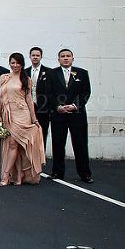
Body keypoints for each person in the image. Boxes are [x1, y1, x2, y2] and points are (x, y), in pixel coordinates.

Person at [45, 49, 92, 183]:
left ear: (72, 58)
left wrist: (75, 105)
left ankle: (85, 174)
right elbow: (49, 93)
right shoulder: (52, 74)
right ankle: (57, 172)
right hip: (58, 115)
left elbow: (86, 92)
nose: (65, 58)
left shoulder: (82, 73)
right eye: (62, 56)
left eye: (68, 56)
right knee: (58, 143)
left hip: (77, 115)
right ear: (58, 59)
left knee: (81, 144)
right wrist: (58, 107)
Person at [0, 53, 45, 186]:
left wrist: (34, 118)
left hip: (23, 114)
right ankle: (18, 175)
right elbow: (1, 98)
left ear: (22, 64)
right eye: (12, 62)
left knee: (14, 144)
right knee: (15, 146)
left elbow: (29, 100)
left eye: (17, 63)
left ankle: (6, 176)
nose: (15, 65)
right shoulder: (4, 78)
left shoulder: (26, 79)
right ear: (9, 63)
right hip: (8, 115)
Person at [25, 47, 51, 148]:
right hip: (28, 108)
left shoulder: (49, 72)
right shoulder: (25, 72)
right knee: (29, 134)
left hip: (43, 108)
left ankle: (41, 159)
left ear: (41, 57)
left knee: (42, 133)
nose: (35, 57)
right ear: (30, 57)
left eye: (37, 55)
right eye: (33, 55)